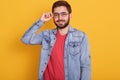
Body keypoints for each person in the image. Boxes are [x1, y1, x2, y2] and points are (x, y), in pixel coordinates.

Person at [21, 0, 91, 80]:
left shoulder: (81, 37)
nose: (60, 18)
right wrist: (41, 21)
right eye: (56, 15)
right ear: (53, 16)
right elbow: (25, 39)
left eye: (63, 14)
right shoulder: (47, 35)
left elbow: (86, 66)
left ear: (70, 15)